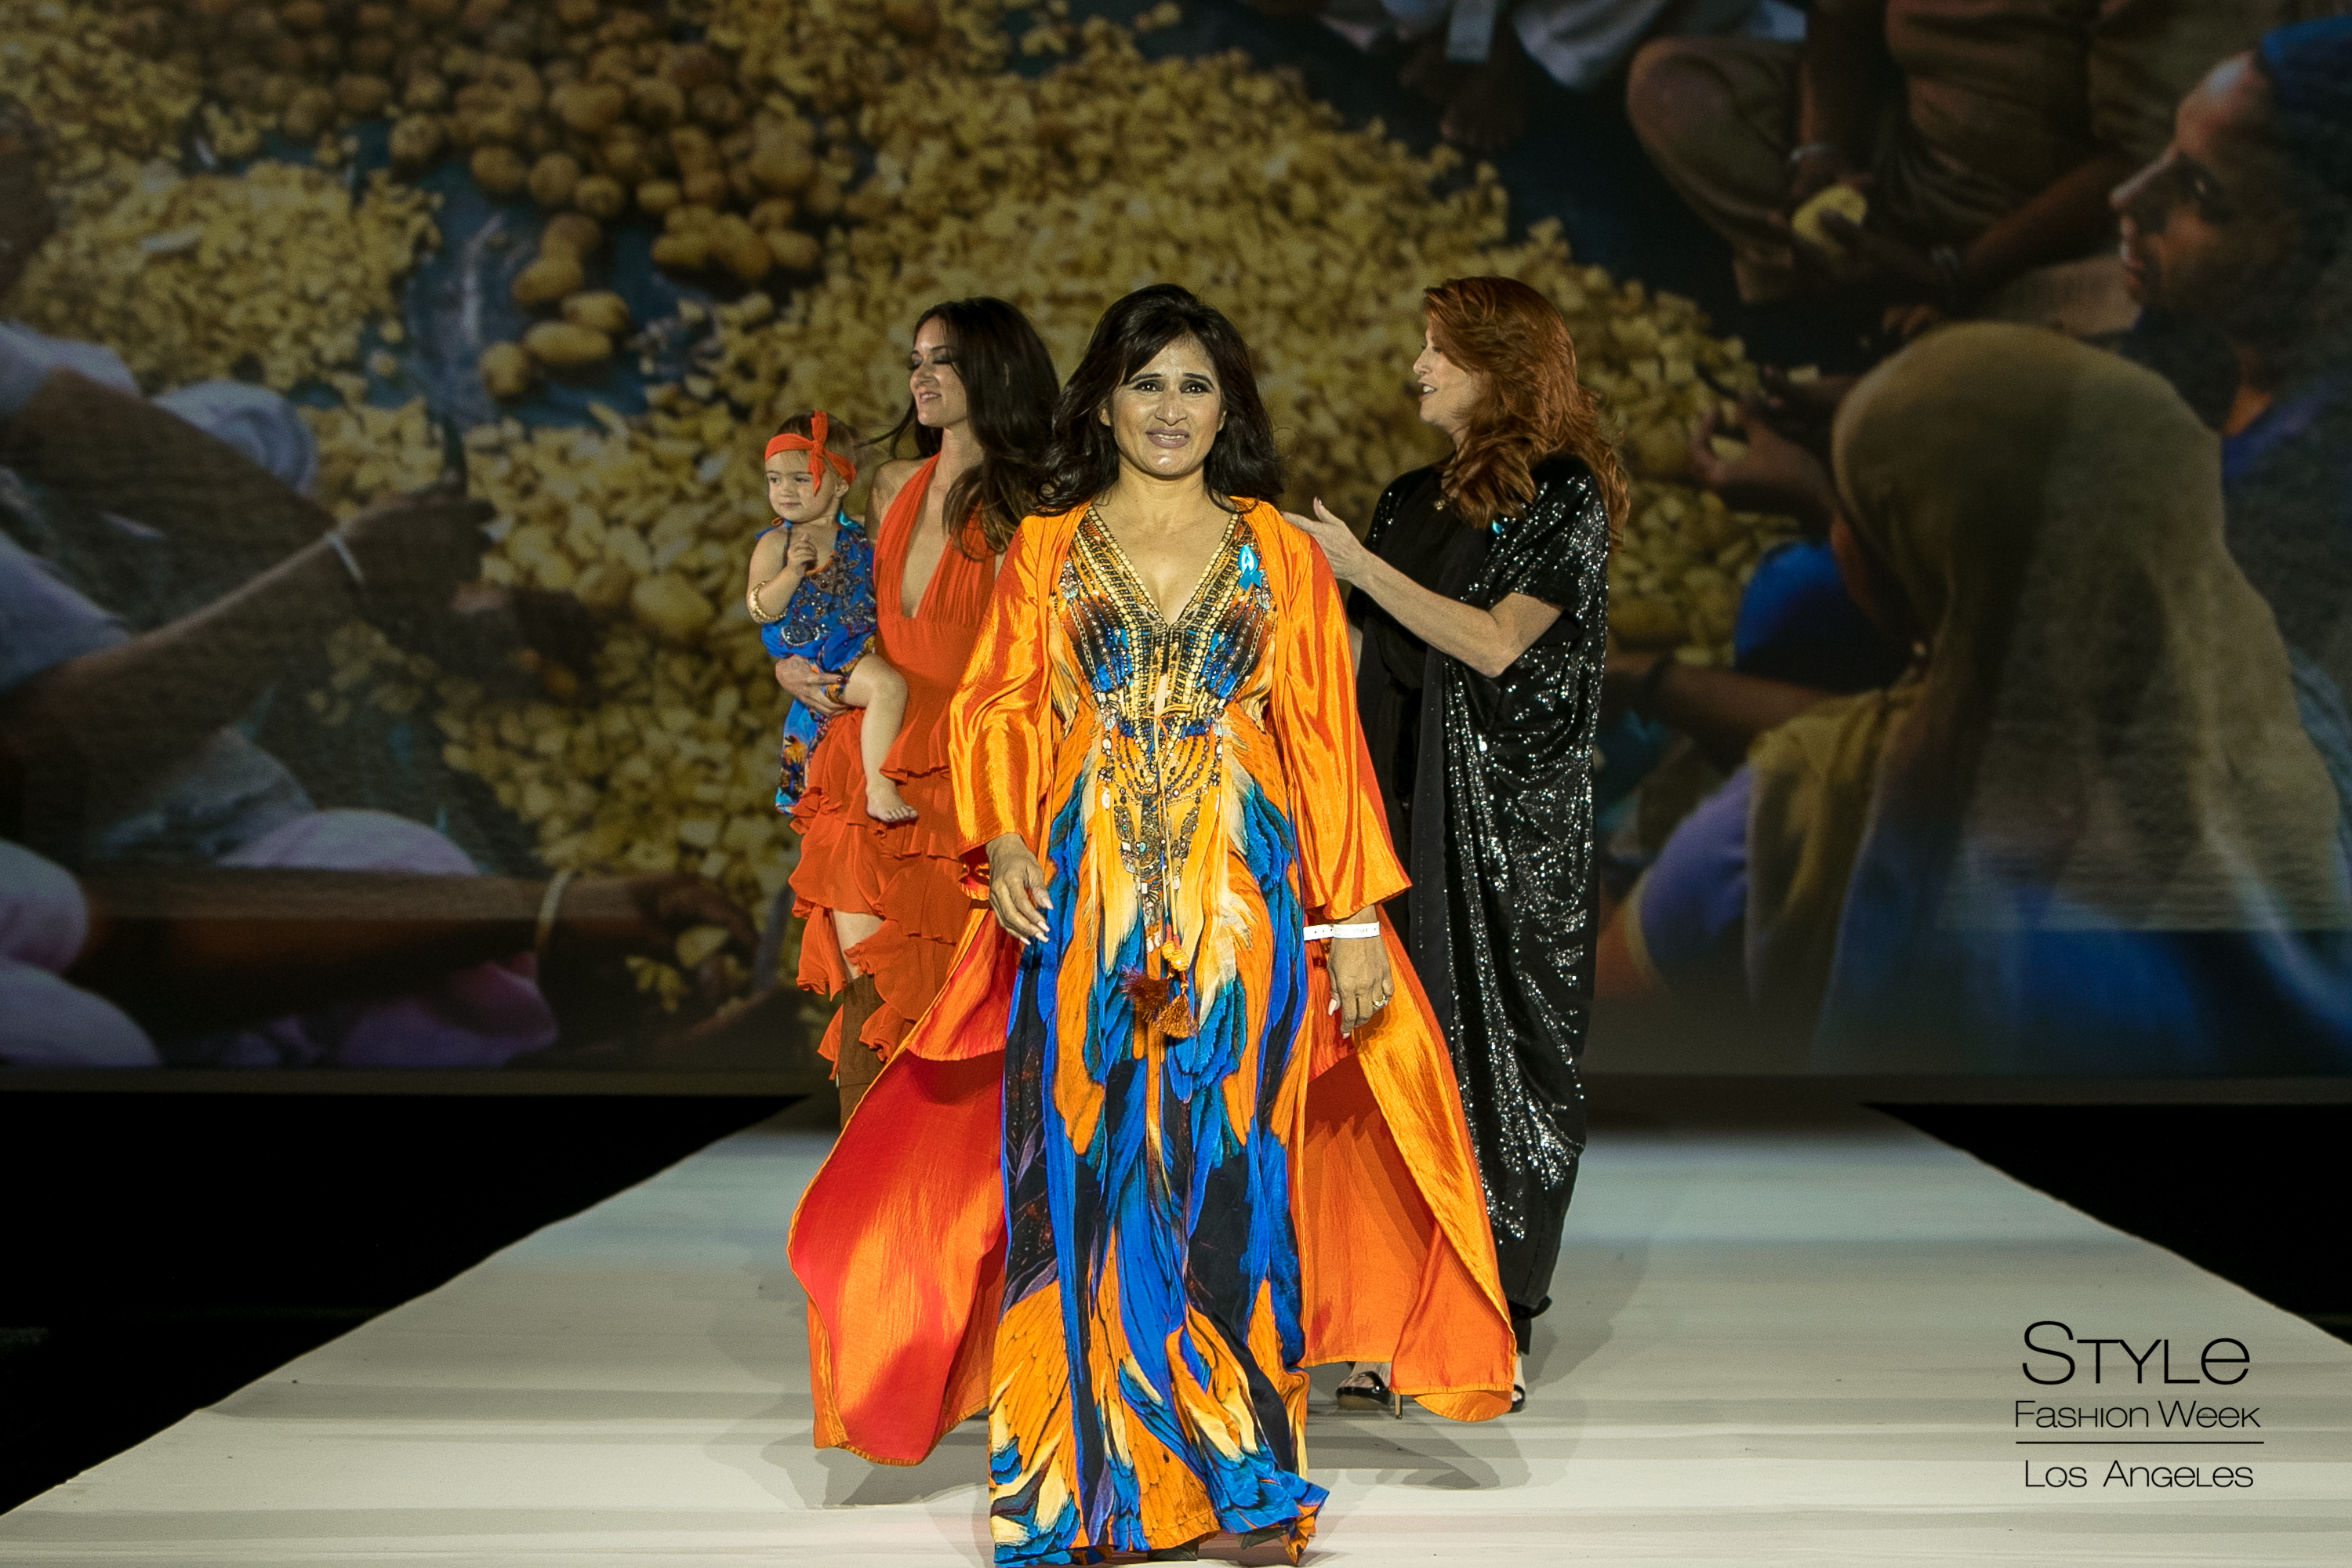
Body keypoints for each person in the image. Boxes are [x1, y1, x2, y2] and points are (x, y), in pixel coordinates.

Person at [787, 285, 1515, 1566]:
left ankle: (1243, 1480)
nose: (1170, 409)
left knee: (1232, 1174)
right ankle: (1078, 1492)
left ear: (1227, 407)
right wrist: (1006, 840)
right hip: (1082, 906)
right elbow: (1000, 711)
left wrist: (1351, 920)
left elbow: (1322, 738)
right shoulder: (1049, 545)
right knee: (1083, 1177)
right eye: (1147, 384)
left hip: (1243, 906)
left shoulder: (1280, 551)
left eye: (1194, 385)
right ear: (1105, 403)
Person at [1605, 324, 2352, 1072]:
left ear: (1891, 582)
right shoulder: (2297, 713)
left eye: (1848, 514)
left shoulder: (1806, 819)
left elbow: (1604, 1013)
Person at [1287, 275, 1622, 1414]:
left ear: (1500, 363)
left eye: (1440, 349)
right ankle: (1392, 1314)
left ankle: (1491, 1325)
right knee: (1389, 1055)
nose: (1417, 368)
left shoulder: (1563, 496)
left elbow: (1494, 644)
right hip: (1398, 812)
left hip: (1508, 836)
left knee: (1501, 1066)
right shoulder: (1401, 499)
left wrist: (1359, 569)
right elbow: (1353, 658)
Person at [779, 298, 1057, 1120]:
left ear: (994, 372)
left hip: (967, 769)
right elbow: (849, 615)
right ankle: (865, 1199)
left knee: (954, 1008)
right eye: (916, 360)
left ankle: (954, 1199)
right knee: (869, 1003)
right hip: (866, 755)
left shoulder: (1033, 505)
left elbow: (1034, 661)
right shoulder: (893, 484)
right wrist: (794, 662)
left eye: (944, 359)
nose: (922, 377)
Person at [1624, 0, 2310, 315]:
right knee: (1674, 90)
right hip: (1895, 156)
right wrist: (1821, 147)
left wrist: (1960, 271)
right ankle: (1870, 285)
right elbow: (1840, 22)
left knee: (2124, 307)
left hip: (2062, 230)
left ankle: (1932, 311)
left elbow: (2146, 158)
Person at [2111, 15, 2352, 727]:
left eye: (2199, 193)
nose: (2126, 197)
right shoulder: (2200, 323)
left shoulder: (2306, 480)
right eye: (2167, 152)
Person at [744, 412, 911, 823]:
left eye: (801, 479)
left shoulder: (860, 535)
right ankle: (879, 787)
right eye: (774, 479)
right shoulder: (778, 543)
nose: (785, 490)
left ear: (840, 484)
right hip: (828, 659)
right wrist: (791, 573)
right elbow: (760, 607)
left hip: (863, 646)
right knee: (887, 687)